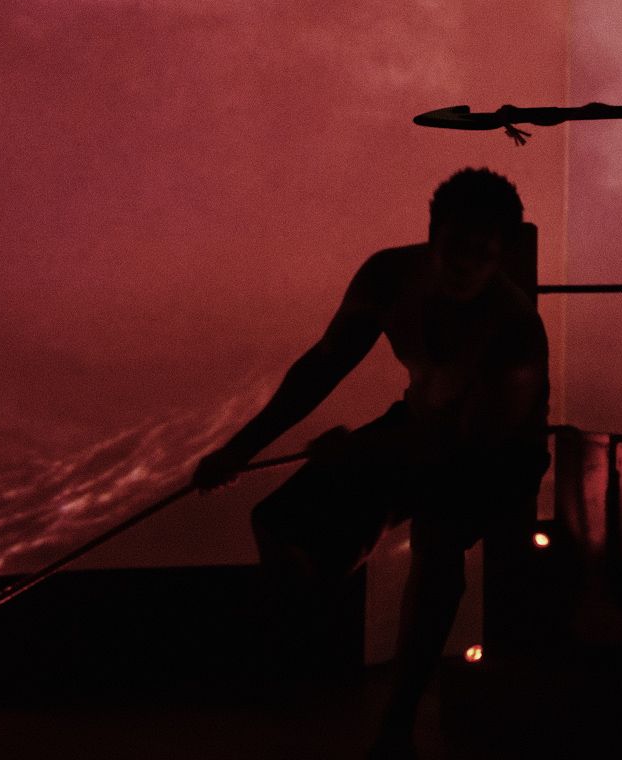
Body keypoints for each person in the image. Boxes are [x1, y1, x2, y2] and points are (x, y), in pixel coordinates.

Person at [192, 168, 550, 760]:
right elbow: (322, 367)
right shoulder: (388, 277)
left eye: (481, 255)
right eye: (454, 247)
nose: (463, 266)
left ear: (501, 255)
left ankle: (396, 726)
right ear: (432, 233)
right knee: (279, 521)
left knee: (438, 546)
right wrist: (238, 450)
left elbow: (464, 452)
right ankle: (296, 656)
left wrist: (362, 453)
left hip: (495, 454)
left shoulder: (513, 332)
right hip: (416, 427)